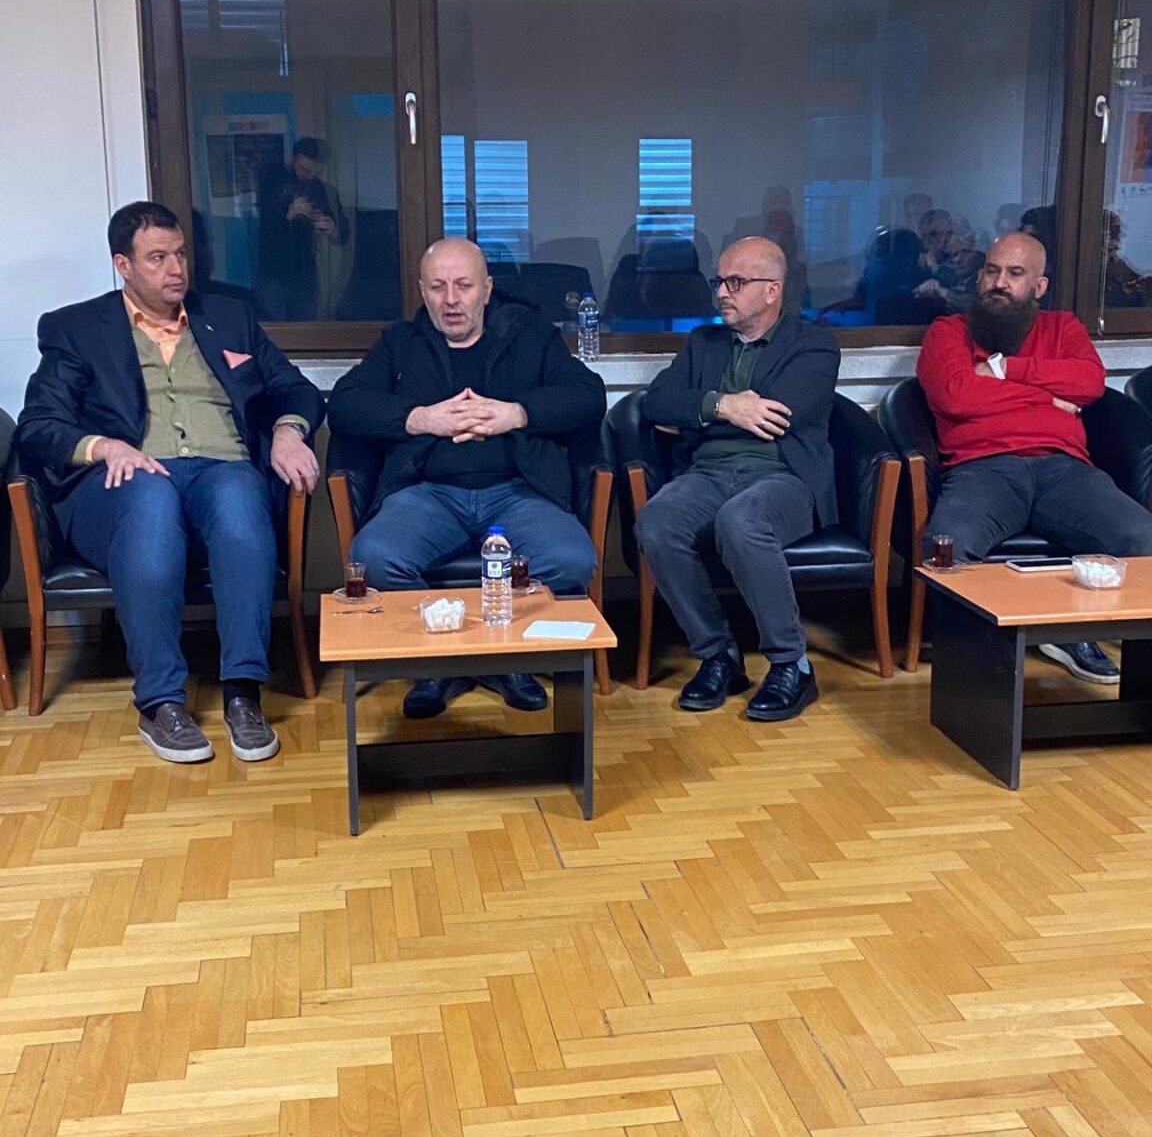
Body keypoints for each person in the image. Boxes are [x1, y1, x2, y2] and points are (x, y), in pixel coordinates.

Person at [15, 201, 325, 761]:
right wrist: (104, 446)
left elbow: (295, 389)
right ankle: (161, 703)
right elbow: (38, 426)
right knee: (151, 497)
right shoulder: (75, 328)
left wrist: (288, 431)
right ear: (123, 265)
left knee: (239, 495)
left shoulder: (229, 317)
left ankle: (243, 693)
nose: (176, 268)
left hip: (220, 470)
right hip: (125, 482)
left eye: (180, 254)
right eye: (157, 258)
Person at [327, 237, 606, 718]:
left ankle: (495, 659)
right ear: (422, 291)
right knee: (374, 557)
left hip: (518, 491)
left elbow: (588, 395)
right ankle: (451, 664)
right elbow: (346, 403)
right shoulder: (401, 342)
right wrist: (420, 419)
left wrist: (517, 413)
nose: (451, 300)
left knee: (571, 560)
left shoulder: (529, 334)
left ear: (487, 289)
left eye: (463, 286)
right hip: (428, 494)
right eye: (438, 287)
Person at [918, 230, 1152, 684]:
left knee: (1142, 536)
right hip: (982, 468)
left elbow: (1088, 383)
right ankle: (978, 661)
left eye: (1015, 273)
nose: (999, 283)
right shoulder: (948, 331)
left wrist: (1005, 370)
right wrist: (1047, 400)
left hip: (1063, 468)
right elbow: (956, 396)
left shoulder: (1063, 329)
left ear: (1039, 286)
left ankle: (1076, 635)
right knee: (947, 545)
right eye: (992, 270)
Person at [634, 236, 839, 721]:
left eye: (736, 282)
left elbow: (781, 415)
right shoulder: (702, 342)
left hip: (782, 475)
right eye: (719, 281)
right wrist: (724, 405)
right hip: (707, 472)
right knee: (656, 522)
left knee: (741, 519)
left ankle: (791, 665)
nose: (722, 292)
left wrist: (697, 413)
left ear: (772, 290)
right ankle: (718, 656)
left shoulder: (814, 344)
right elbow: (657, 402)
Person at [257, 137, 349, 321]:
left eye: (315, 171)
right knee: (273, 328)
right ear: (292, 160)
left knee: (305, 326)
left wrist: (331, 228)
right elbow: (265, 224)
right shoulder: (271, 181)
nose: (309, 175)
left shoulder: (321, 189)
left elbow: (343, 233)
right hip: (273, 272)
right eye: (304, 170)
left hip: (304, 272)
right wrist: (290, 213)